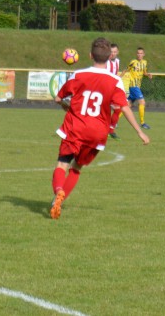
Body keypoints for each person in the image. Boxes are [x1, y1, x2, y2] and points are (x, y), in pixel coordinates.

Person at [50, 37, 150, 220]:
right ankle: (60, 200)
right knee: (77, 167)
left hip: (75, 126)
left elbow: (58, 98)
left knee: (62, 164)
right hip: (97, 133)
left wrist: (65, 105)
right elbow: (124, 107)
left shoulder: (78, 75)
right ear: (109, 58)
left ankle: (58, 191)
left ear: (90, 55)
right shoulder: (115, 81)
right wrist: (139, 131)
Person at [124, 46, 153, 129]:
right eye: (138, 53)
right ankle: (142, 123)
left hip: (137, 86)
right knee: (142, 102)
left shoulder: (144, 62)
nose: (139, 55)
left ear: (144, 54)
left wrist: (148, 75)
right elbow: (126, 70)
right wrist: (119, 79)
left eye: (141, 53)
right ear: (136, 54)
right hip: (133, 85)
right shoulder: (133, 62)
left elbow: (144, 72)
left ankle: (113, 122)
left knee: (127, 105)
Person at [106, 43, 122, 139]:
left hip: (113, 89)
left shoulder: (117, 62)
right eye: (111, 52)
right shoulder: (105, 62)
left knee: (118, 109)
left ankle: (111, 130)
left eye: (115, 52)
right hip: (104, 89)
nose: (113, 53)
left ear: (117, 52)